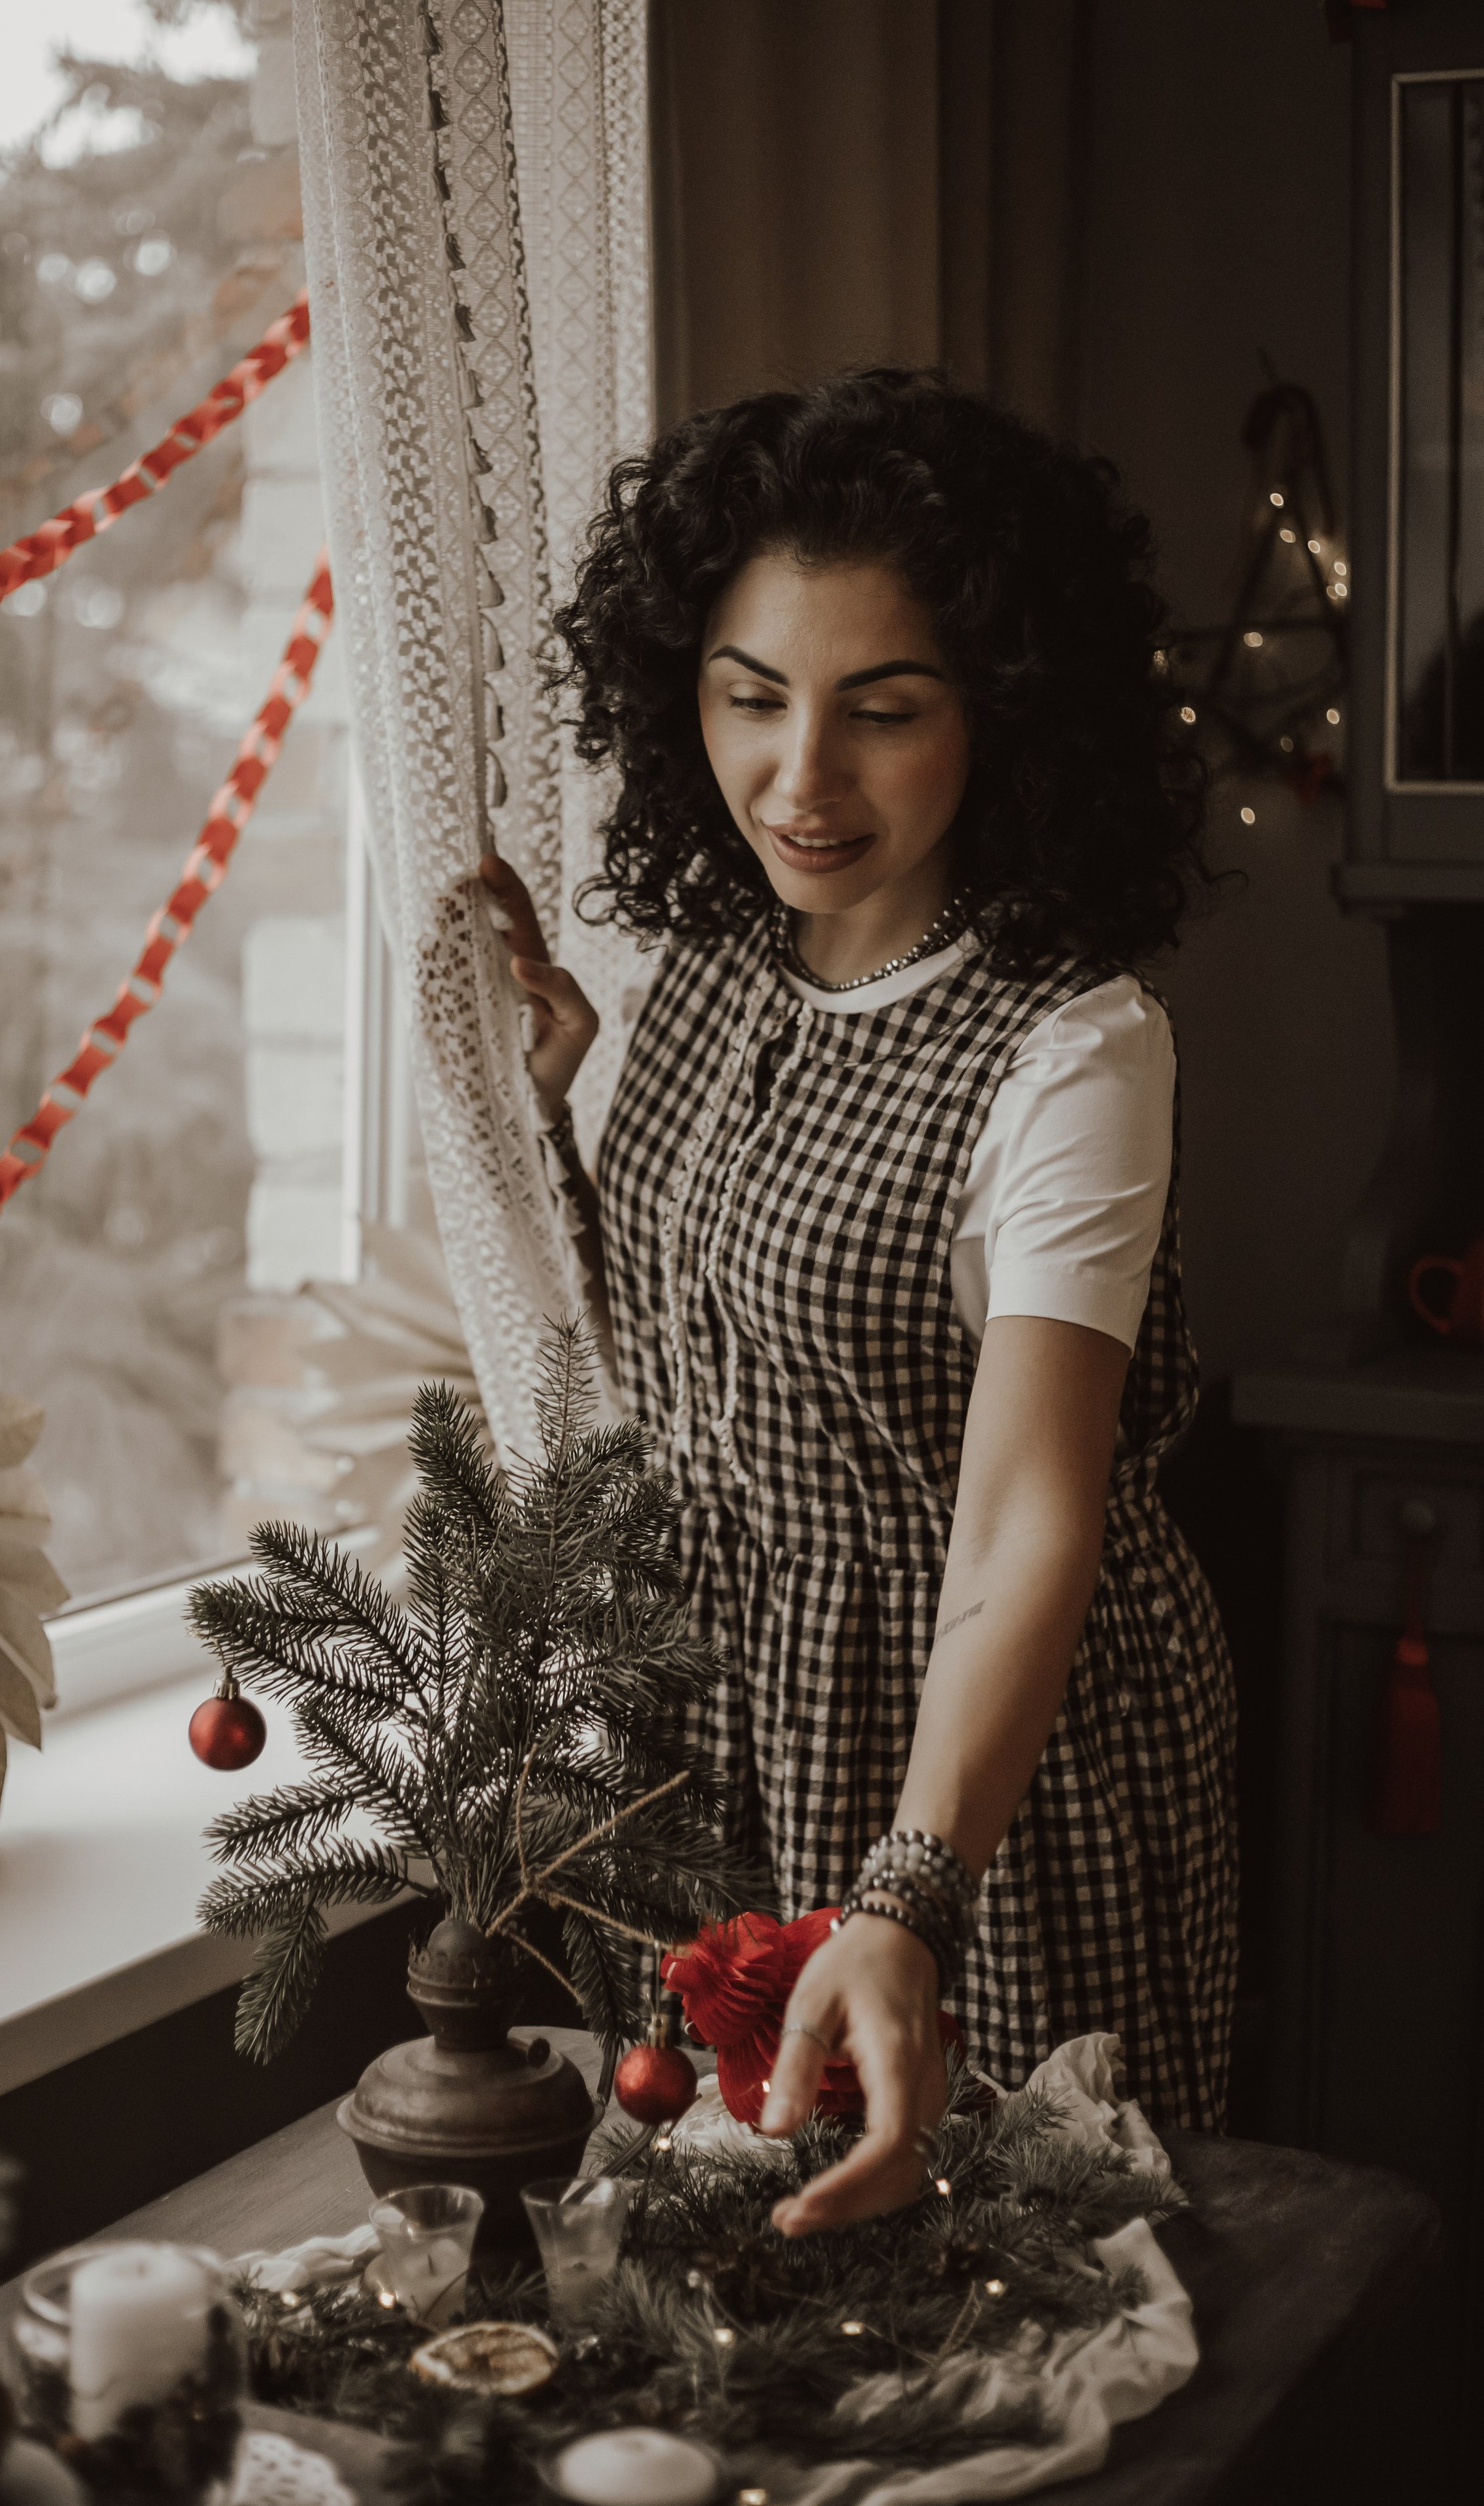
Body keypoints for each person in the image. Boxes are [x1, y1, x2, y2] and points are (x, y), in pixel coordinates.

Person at [480, 369, 1235, 2240]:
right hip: (713, 1720)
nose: (800, 780)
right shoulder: (722, 951)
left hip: (982, 1751)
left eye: (882, 713)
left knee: (997, 2269)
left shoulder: (1073, 1049)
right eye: (751, 700)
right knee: (717, 2288)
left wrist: (913, 1891)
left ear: (1004, 717)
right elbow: (708, 1339)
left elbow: (1028, 1513)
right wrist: (573, 1103)